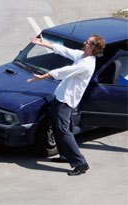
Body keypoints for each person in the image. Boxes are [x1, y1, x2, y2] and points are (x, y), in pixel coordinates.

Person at [27, 34, 105, 176]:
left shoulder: (86, 64)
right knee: (60, 128)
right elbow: (64, 50)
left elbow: (63, 71)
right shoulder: (82, 56)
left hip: (66, 101)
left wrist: (43, 76)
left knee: (63, 131)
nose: (84, 42)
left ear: (93, 47)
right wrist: (43, 43)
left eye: (88, 42)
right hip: (61, 97)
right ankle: (64, 156)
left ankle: (81, 164)